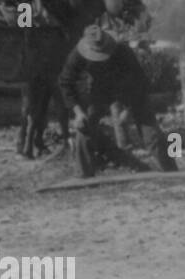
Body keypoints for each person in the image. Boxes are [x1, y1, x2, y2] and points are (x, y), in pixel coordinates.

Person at [58, 25, 177, 177]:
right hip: (100, 89)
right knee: (85, 127)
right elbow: (65, 82)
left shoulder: (122, 51)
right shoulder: (78, 54)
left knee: (152, 135)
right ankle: (84, 175)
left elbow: (141, 82)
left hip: (129, 89)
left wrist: (128, 111)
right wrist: (78, 112)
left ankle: (171, 171)